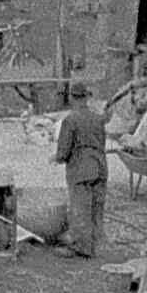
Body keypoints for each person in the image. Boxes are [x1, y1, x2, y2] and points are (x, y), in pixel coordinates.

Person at [51, 80, 108, 259]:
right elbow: (101, 143)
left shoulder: (70, 120)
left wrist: (57, 158)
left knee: (80, 210)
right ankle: (96, 245)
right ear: (86, 97)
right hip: (100, 167)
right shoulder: (98, 118)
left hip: (81, 169)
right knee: (96, 209)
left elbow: (63, 150)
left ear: (71, 97)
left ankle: (81, 247)